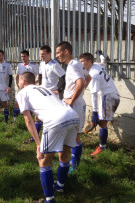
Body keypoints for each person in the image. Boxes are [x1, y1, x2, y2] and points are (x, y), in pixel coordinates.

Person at [16, 72, 79, 203]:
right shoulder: (44, 87)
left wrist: (38, 144)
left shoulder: (22, 93)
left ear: (22, 82)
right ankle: (59, 187)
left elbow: (28, 120)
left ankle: (49, 200)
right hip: (72, 116)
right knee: (64, 154)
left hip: (55, 120)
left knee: (44, 161)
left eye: (18, 81)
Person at [56, 41, 90, 173]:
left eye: (59, 52)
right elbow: (88, 78)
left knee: (72, 137)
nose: (57, 56)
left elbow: (81, 83)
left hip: (74, 105)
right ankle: (75, 164)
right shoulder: (77, 64)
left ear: (66, 51)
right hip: (78, 103)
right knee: (75, 136)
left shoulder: (72, 65)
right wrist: (79, 94)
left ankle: (73, 166)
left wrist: (72, 99)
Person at [79, 53, 120, 156]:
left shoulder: (93, 74)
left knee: (102, 123)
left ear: (89, 62)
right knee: (102, 121)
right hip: (112, 96)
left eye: (82, 61)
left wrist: (94, 112)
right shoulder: (97, 65)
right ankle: (94, 125)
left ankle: (102, 147)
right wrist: (102, 55)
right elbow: (104, 62)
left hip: (109, 98)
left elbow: (94, 94)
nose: (80, 64)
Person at [36, 45, 66, 139]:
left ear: (49, 54)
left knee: (51, 117)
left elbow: (63, 77)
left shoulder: (54, 65)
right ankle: (36, 136)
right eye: (41, 54)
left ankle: (53, 136)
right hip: (42, 93)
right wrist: (39, 86)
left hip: (51, 95)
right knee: (38, 115)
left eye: (44, 54)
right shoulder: (42, 63)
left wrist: (59, 90)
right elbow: (40, 75)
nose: (42, 56)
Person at [14, 50, 39, 121]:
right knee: (17, 103)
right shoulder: (20, 65)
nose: (23, 58)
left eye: (24, 56)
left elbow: (40, 76)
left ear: (28, 56)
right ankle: (15, 120)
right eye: (22, 56)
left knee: (30, 105)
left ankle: (29, 120)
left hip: (30, 89)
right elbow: (17, 76)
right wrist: (18, 84)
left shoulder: (34, 66)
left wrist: (35, 83)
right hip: (21, 88)